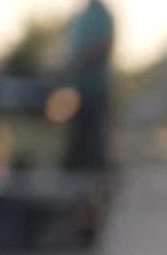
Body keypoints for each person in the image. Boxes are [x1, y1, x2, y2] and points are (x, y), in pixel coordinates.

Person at [60, 0, 117, 174]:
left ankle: (97, 178)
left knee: (95, 140)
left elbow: (104, 45)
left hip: (95, 90)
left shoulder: (102, 15)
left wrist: (81, 61)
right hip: (76, 92)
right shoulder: (81, 16)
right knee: (77, 139)